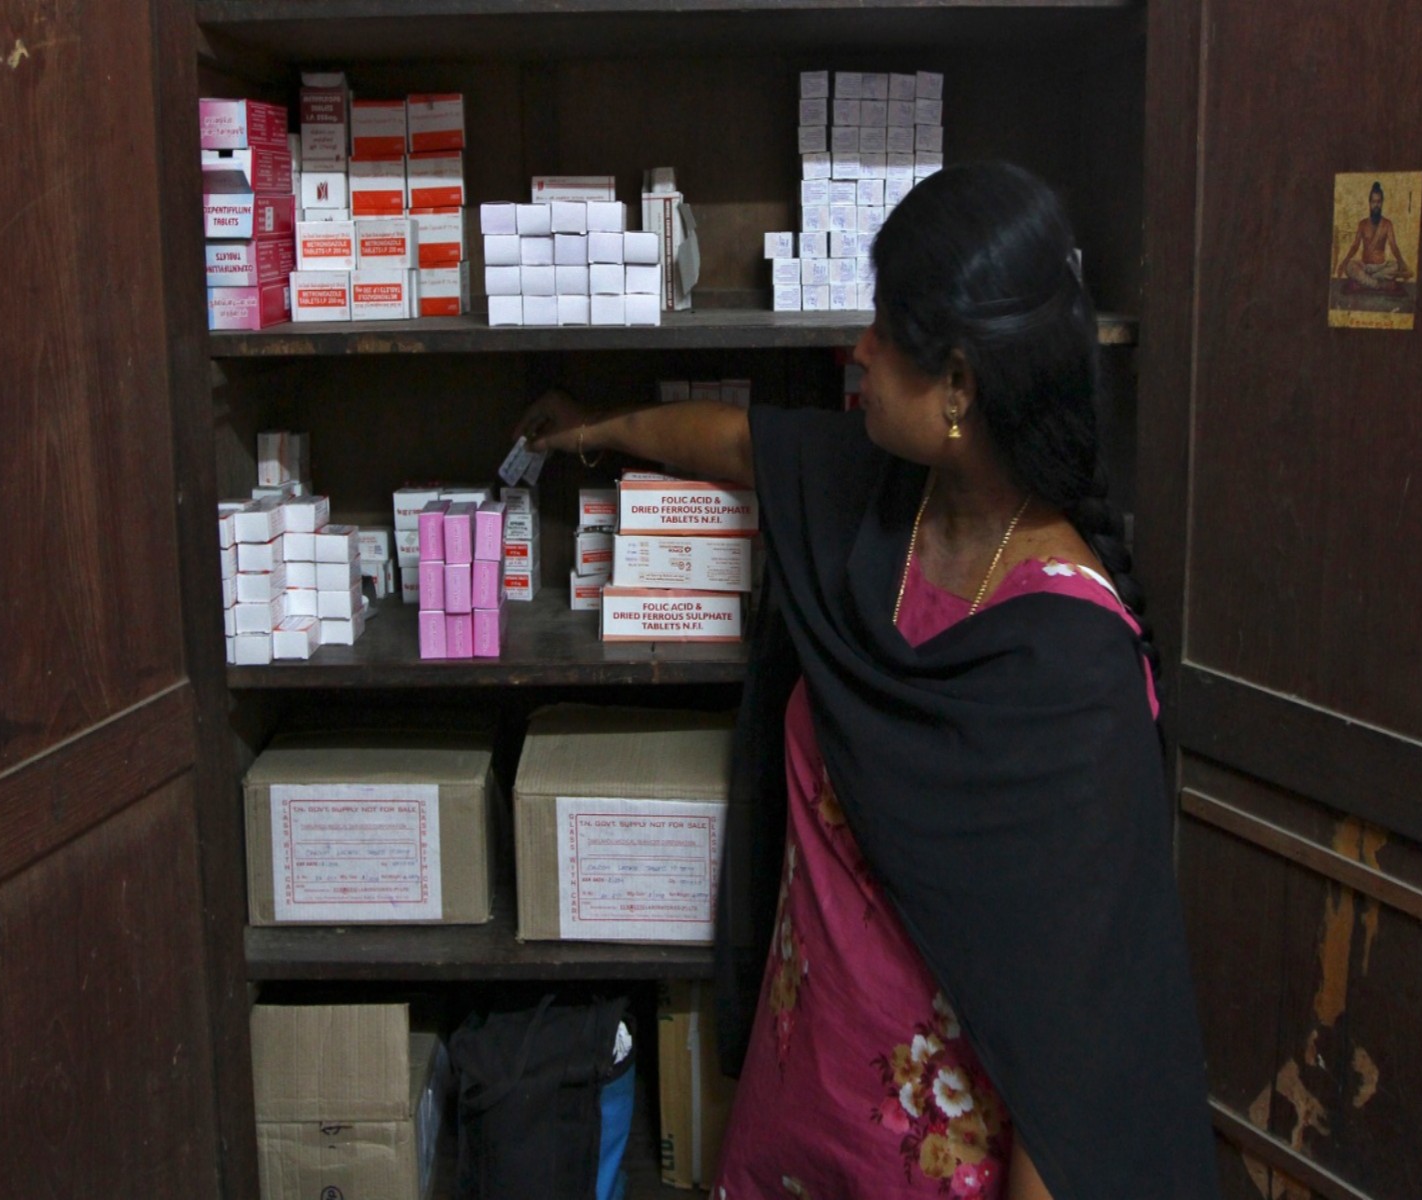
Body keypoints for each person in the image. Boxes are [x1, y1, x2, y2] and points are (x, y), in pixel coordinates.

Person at [519, 161, 1219, 1200]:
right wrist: (591, 431)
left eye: (884, 332)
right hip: (800, 1095)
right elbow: (732, 444)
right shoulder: (884, 497)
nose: (856, 349)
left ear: (959, 387)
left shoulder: (1074, 674)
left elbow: (1082, 1061)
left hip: (934, 1159)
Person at [1336, 180, 1411, 290]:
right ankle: (1380, 284)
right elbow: (1355, 246)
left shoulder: (1387, 224)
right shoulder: (1362, 224)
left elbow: (1394, 247)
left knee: (1396, 266)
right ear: (1369, 203)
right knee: (1349, 266)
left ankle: (1366, 282)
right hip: (1365, 267)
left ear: (1382, 203)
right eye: (1373, 202)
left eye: (1379, 202)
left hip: (1381, 268)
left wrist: (1402, 263)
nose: (1376, 205)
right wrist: (1344, 262)